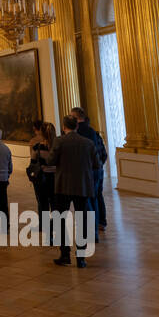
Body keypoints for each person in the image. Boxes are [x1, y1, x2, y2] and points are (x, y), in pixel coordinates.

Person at [50, 115, 95, 268]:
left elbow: (51, 161)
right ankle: (81, 258)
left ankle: (65, 255)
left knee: (60, 220)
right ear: (77, 126)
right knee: (82, 221)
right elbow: (96, 163)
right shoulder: (88, 143)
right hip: (82, 186)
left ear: (64, 127)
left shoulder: (59, 141)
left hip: (63, 186)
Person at [72, 107, 109, 236]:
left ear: (76, 118)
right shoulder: (94, 131)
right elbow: (103, 153)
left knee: (88, 198)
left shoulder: (79, 133)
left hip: (87, 170)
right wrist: (99, 165)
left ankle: (92, 228)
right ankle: (101, 222)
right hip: (98, 169)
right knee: (98, 195)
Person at [27, 121, 56, 244]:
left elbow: (33, 164)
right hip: (56, 179)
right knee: (56, 207)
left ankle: (48, 235)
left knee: (43, 206)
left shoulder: (37, 147)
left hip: (42, 179)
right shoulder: (58, 147)